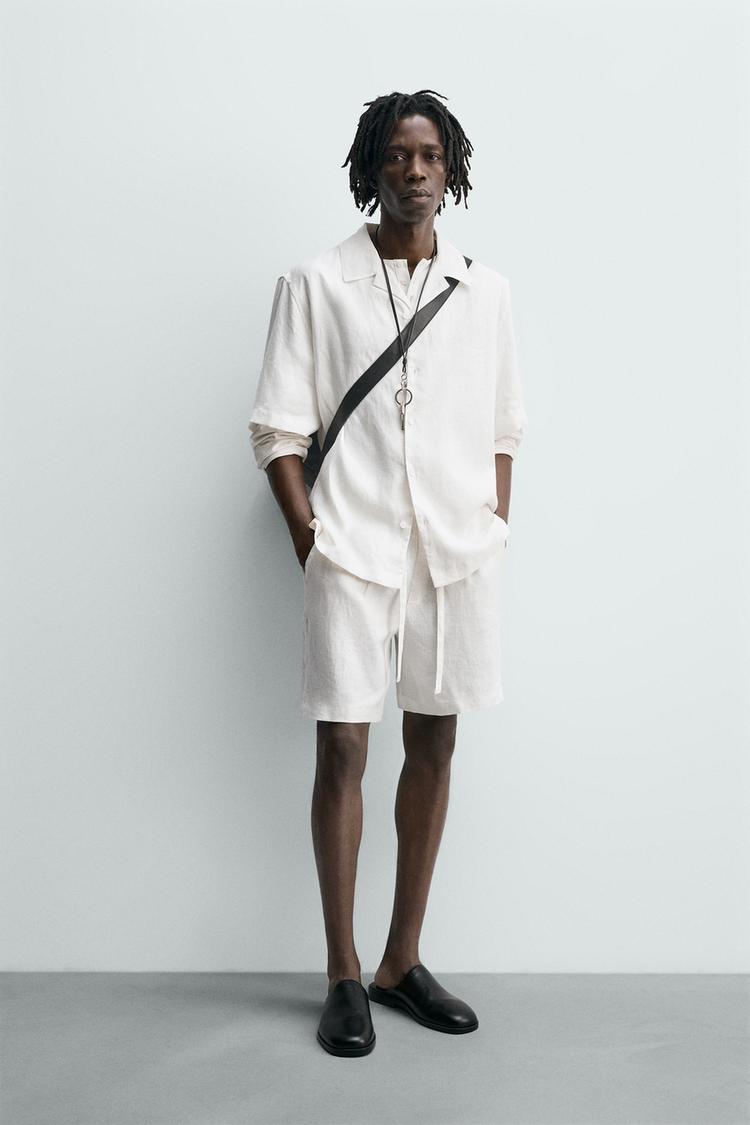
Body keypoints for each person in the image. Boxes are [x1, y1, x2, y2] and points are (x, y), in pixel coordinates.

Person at [248, 89, 528, 1057]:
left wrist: (492, 521)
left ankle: (402, 961)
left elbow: (505, 427)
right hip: (354, 548)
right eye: (397, 155)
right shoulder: (315, 283)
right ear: (371, 168)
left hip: (456, 553)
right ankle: (343, 972)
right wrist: (311, 537)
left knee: (437, 743)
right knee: (343, 750)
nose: (415, 170)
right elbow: (277, 428)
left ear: (452, 169)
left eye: (431, 154)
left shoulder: (484, 291)